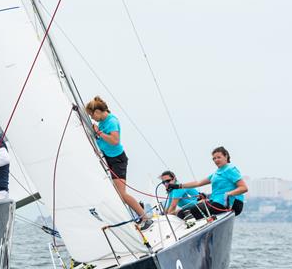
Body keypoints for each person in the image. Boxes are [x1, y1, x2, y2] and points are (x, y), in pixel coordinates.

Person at [85, 96, 152, 230]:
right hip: (109, 159)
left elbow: (115, 141)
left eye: (92, 115)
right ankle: (138, 212)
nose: (92, 118)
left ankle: (145, 217)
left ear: (97, 111)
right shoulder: (103, 121)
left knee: (122, 194)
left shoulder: (111, 121)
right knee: (117, 194)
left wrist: (98, 132)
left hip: (117, 160)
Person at [167, 146, 247, 220]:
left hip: (229, 204)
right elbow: (198, 183)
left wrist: (228, 194)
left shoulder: (230, 169)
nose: (216, 160)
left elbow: (244, 188)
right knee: (183, 212)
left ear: (226, 156)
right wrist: (177, 186)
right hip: (216, 202)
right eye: (214, 158)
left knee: (184, 213)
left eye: (219, 157)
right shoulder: (217, 173)